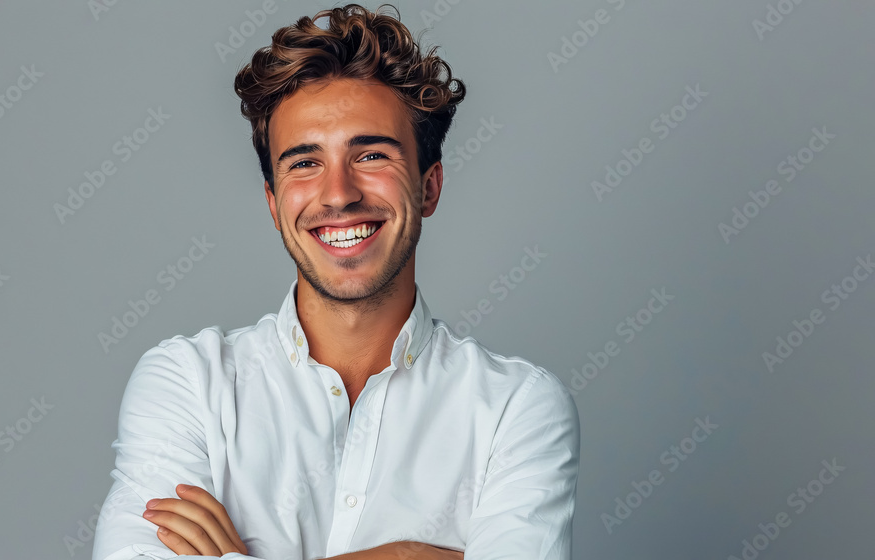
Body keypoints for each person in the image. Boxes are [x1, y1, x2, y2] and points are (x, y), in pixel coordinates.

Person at [92, 4, 579, 559]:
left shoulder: (517, 409)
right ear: (275, 205)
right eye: (304, 162)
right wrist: (407, 556)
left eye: (371, 154)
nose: (339, 194)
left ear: (429, 187)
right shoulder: (187, 386)